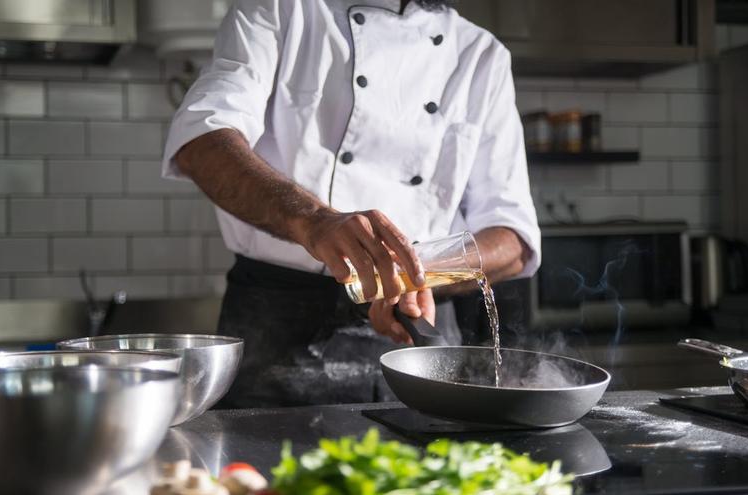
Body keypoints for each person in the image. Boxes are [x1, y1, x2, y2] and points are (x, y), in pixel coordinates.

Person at [162, 0, 540, 407]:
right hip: (278, 333)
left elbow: (513, 239)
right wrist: (313, 220)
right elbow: (201, 142)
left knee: (432, 470)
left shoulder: (479, 53)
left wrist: (417, 274)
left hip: (417, 334)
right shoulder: (279, 10)